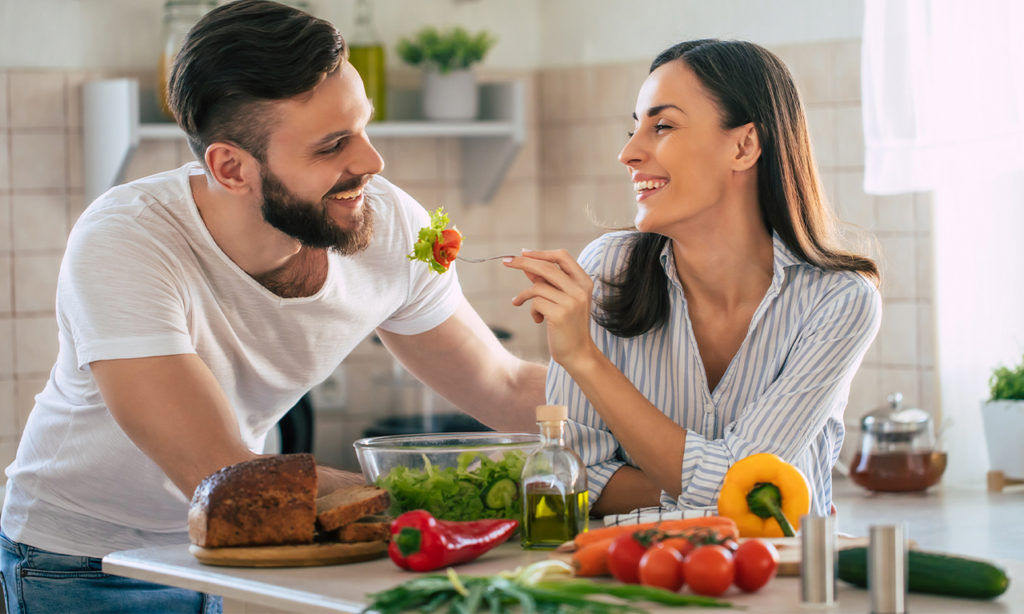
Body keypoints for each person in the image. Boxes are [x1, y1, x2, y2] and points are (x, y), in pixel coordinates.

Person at [0, 1, 545, 612]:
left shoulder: (384, 222)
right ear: (231, 167)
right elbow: (220, 472)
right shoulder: (126, 240)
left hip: (237, 548)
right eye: (332, 145)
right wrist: (455, 493)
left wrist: (652, 422)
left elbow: (503, 385)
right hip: (85, 562)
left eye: (363, 127)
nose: (371, 161)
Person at [506, 39, 881, 518]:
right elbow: (575, 477)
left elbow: (742, 483)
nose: (628, 153)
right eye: (634, 129)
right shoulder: (605, 271)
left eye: (662, 126)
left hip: (776, 580)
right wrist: (710, 491)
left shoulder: (839, 301)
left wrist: (584, 358)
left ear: (744, 145)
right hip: (633, 577)